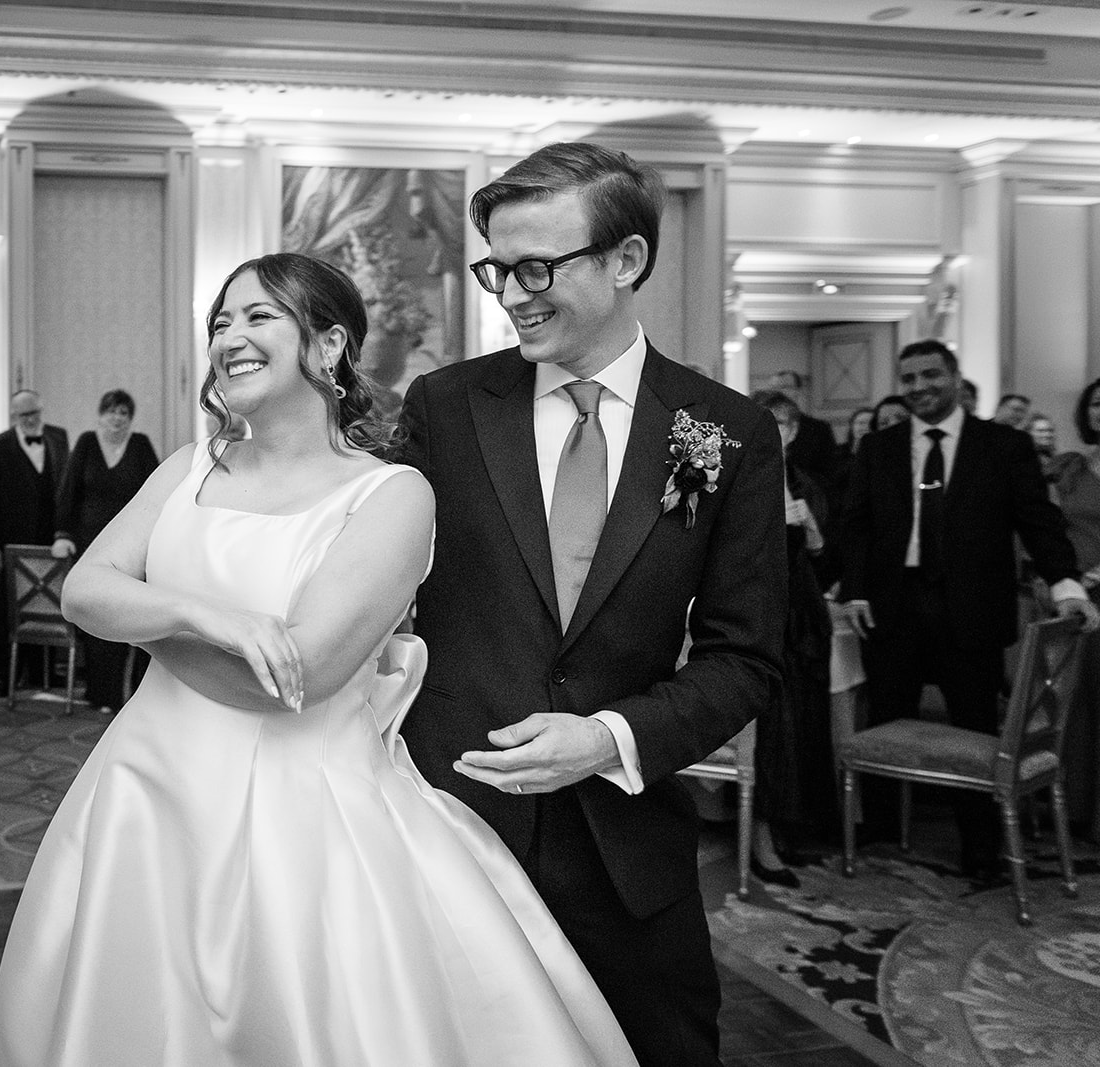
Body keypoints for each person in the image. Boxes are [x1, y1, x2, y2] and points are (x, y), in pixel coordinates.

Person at [0, 252, 636, 1066]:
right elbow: (84, 590)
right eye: (220, 321)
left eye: (258, 317)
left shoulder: (391, 494)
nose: (229, 336)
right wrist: (199, 612)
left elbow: (300, 677)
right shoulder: (188, 470)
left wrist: (141, 622)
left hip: (301, 822)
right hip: (140, 802)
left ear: (328, 348)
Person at [397, 141, 787, 1067]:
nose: (512, 293)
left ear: (626, 260)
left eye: (538, 266)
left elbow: (748, 657)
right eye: (497, 266)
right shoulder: (445, 408)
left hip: (624, 847)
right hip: (452, 824)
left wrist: (610, 736)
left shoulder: (724, 430)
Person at [840, 340, 1100, 880]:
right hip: (894, 606)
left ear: (955, 377)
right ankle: (886, 827)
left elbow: (1038, 522)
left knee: (976, 723)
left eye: (930, 375)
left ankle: (981, 845)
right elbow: (858, 526)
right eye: (908, 378)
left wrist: (1067, 582)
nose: (918, 388)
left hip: (972, 609)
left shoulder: (1003, 446)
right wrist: (857, 589)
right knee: (888, 714)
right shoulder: (880, 448)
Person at [747, 391, 836, 886]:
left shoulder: (805, 483)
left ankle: (786, 831)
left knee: (802, 725)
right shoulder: (740, 480)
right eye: (765, 422)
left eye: (782, 423)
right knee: (771, 728)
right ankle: (761, 838)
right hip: (762, 615)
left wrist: (810, 524)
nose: (775, 431)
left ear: (795, 431)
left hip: (805, 613)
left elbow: (823, 554)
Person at [52, 389, 159, 714]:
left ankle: (136, 693)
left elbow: (157, 493)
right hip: (90, 546)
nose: (117, 418)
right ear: (101, 415)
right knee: (98, 615)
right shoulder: (86, 443)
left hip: (131, 548)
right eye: (111, 411)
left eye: (124, 413)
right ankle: (102, 693)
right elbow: (67, 491)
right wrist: (62, 533)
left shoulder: (140, 445)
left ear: (131, 418)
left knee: (130, 614)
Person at [0, 390, 69, 697]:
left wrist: (64, 533)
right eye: (23, 415)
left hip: (49, 541)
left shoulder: (58, 437)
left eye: (34, 413)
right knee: (7, 609)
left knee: (48, 605)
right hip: (10, 544)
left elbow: (64, 489)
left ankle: (44, 673)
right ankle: (6, 676)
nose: (30, 420)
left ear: (41, 410)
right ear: (13, 416)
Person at [1047, 378, 1100, 831]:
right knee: (1074, 700)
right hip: (1075, 599)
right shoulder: (1069, 468)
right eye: (1098, 404)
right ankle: (1074, 811)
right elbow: (1045, 523)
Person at [768, 370, 837, 485]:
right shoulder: (760, 426)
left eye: (785, 387)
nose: (778, 393)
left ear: (799, 391)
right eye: (774, 388)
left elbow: (828, 472)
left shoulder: (818, 429)